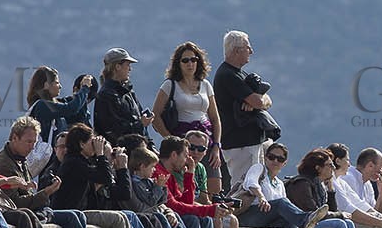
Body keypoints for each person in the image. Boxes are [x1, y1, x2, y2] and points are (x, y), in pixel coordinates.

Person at [48, 124, 148, 228]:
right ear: (81, 144)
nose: (95, 145)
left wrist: (109, 156)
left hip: (79, 213)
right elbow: (106, 178)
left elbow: (116, 187)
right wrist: (102, 155)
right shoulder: (73, 162)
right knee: (117, 218)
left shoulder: (81, 161)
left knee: (124, 215)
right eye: (91, 142)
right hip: (72, 213)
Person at [236, 142, 324, 228]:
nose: (275, 161)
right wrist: (261, 198)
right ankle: (305, 219)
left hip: (266, 219)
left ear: (284, 163)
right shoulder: (259, 169)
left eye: (280, 159)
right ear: (265, 158)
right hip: (248, 216)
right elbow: (251, 183)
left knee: (289, 221)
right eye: (272, 157)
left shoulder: (279, 184)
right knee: (281, 204)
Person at [151, 41, 225, 192]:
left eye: (193, 59)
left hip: (206, 143)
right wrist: (171, 140)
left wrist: (216, 146)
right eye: (185, 60)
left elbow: (215, 119)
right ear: (178, 63)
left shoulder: (205, 85)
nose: (190, 63)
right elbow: (155, 115)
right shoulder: (170, 85)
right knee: (186, 186)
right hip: (183, 143)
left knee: (214, 188)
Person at [213, 30, 278, 192]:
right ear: (236, 50)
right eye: (247, 48)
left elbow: (265, 100)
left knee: (257, 184)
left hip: (250, 142)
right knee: (242, 187)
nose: (251, 51)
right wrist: (257, 101)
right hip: (238, 143)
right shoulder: (228, 75)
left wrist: (257, 101)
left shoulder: (240, 74)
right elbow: (258, 101)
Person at [92, 47, 154, 146]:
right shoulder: (106, 95)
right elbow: (113, 129)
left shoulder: (129, 92)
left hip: (138, 149)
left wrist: (150, 145)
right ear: (117, 66)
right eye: (128, 65)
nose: (130, 69)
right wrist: (140, 124)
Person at [26, 66, 97, 146]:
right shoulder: (42, 106)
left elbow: (76, 115)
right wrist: (84, 88)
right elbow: (71, 108)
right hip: (46, 156)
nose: (60, 86)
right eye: (56, 82)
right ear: (46, 85)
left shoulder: (51, 106)